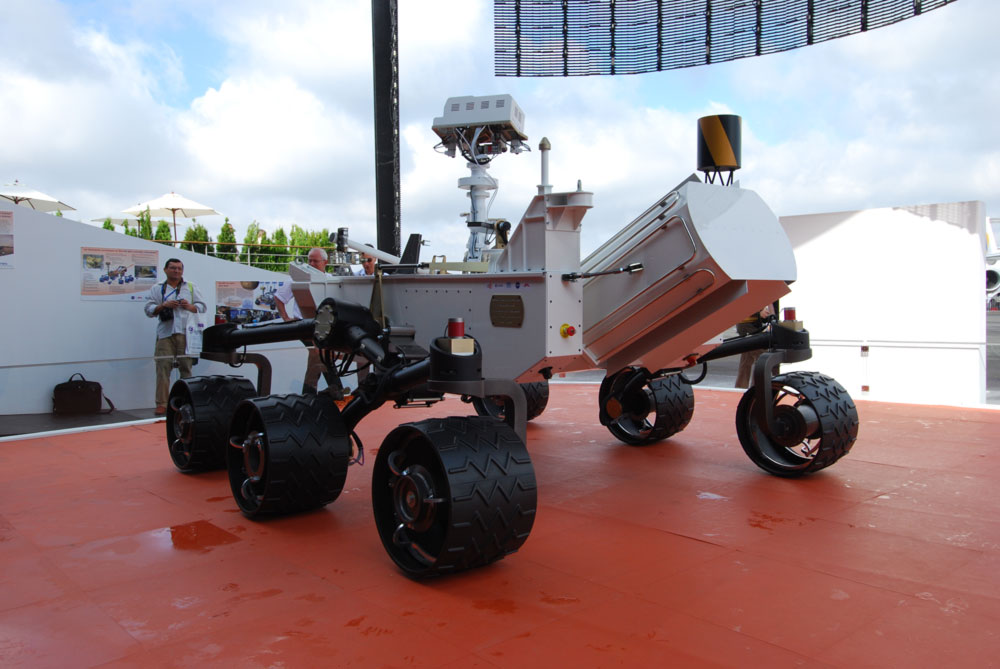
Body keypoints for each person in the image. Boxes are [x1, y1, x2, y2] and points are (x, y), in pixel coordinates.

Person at [144, 258, 206, 415]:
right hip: (165, 332)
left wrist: (189, 306)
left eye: (179, 268)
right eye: (173, 268)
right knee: (162, 368)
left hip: (186, 333)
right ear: (165, 270)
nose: (176, 271)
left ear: (182, 271)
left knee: (186, 368)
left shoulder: (191, 287)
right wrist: (163, 306)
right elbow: (148, 309)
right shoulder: (157, 288)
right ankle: (162, 403)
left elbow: (202, 307)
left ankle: (186, 402)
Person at [275, 247, 328, 393]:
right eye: (309, 260)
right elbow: (279, 298)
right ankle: (314, 390)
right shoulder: (295, 278)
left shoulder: (329, 279)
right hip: (303, 325)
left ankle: (325, 389)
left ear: (325, 262)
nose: (311, 264)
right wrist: (286, 318)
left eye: (315, 261)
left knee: (322, 354)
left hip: (322, 326)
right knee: (317, 353)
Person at [735, 303, 775, 389]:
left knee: (747, 359)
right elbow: (741, 307)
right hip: (747, 325)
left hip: (749, 325)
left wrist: (761, 316)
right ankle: (756, 387)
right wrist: (758, 315)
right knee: (762, 355)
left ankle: (741, 387)